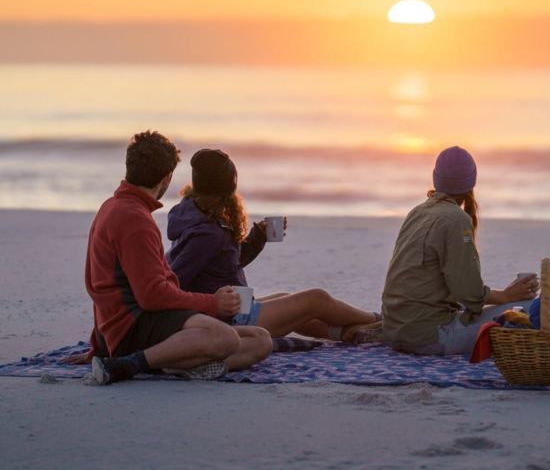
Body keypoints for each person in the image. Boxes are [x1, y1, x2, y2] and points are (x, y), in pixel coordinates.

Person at [85, 131, 272, 385]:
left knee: (261, 340)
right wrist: (213, 304)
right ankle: (128, 365)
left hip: (135, 326)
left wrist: (99, 342)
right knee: (225, 339)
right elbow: (152, 296)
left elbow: (96, 284)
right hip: (136, 326)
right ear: (166, 178)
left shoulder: (112, 207)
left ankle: (176, 364)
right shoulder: (134, 219)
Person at [166, 148, 381, 342]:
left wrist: (258, 236)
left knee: (287, 299)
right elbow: (175, 281)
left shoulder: (193, 211)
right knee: (317, 299)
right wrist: (213, 304)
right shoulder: (207, 233)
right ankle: (381, 321)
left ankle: (348, 333)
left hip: (233, 308)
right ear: (231, 184)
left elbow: (227, 263)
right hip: (228, 320)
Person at [381, 146, 540, 355]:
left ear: (436, 178)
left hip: (395, 332)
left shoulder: (418, 211)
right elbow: (468, 293)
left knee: (506, 307)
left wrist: (503, 295)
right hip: (430, 338)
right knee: (529, 308)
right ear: (471, 182)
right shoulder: (456, 219)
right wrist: (506, 296)